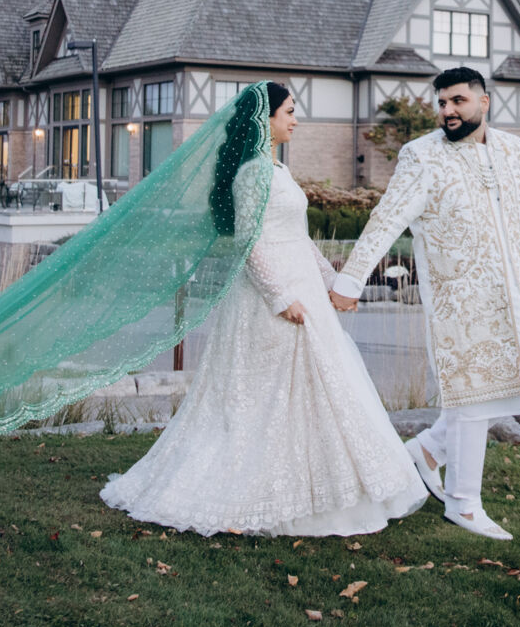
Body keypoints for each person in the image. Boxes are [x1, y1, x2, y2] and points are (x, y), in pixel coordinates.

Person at [100, 82, 427, 536]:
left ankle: (323, 490)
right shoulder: (252, 173)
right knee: (264, 399)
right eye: (289, 112)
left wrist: (333, 282)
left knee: (318, 390)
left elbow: (298, 238)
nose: (296, 120)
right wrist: (280, 298)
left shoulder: (278, 169)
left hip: (302, 287)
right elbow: (248, 242)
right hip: (268, 298)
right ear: (265, 118)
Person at [329, 67, 520, 540]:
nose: (448, 111)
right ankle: (463, 503)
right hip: (458, 303)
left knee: (502, 391)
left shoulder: (511, 149)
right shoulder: (422, 155)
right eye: (442, 103)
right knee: (472, 397)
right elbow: (386, 218)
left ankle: (425, 453)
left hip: (510, 298)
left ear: (484, 102)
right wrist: (350, 281)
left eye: (458, 101)